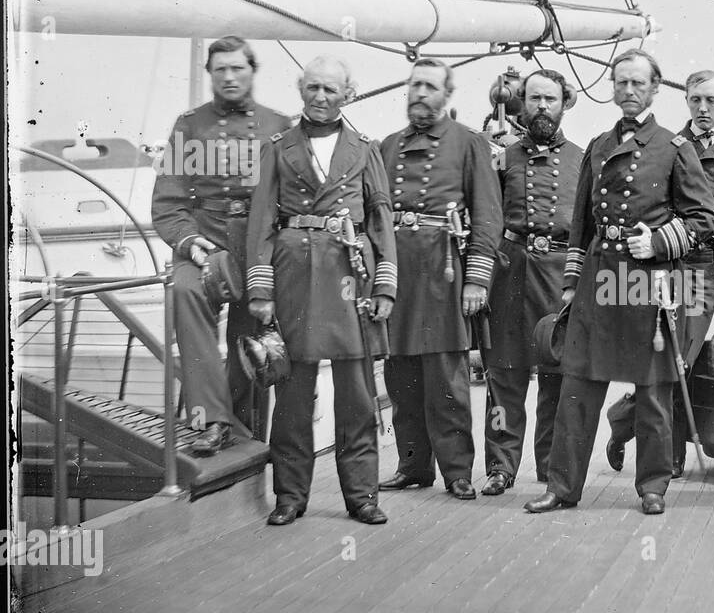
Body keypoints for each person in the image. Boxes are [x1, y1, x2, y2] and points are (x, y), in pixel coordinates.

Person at [523, 49, 714, 515]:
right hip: (597, 279)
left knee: (652, 391)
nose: (628, 91)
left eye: (638, 84)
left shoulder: (675, 148)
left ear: (654, 89)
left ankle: (652, 486)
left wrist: (661, 243)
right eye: (621, 83)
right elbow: (580, 226)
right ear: (612, 88)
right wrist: (571, 286)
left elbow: (703, 218)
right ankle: (562, 486)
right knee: (577, 385)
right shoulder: (597, 146)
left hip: (646, 284)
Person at [245, 56, 397, 526]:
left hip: (352, 278)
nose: (320, 96)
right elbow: (260, 221)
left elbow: (379, 218)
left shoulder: (365, 149)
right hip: (294, 278)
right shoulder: (279, 147)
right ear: (301, 90)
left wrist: (387, 283)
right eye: (312, 87)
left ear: (347, 93)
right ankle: (290, 495)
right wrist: (261, 288)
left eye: (330, 89)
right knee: (293, 393)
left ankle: (361, 495)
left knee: (356, 393)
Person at [604, 69, 714, 477]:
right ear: (686, 102)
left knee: (709, 362)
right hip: (682, 267)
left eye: (711, 100)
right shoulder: (671, 146)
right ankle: (659, 456)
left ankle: (623, 422)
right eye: (695, 100)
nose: (703, 108)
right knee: (676, 362)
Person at [150, 35, 291, 453]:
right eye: (221, 69)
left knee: (250, 338)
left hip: (259, 244)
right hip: (205, 239)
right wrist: (189, 242)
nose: (229, 77)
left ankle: (241, 430)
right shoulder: (189, 125)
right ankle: (212, 420)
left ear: (252, 71)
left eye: (238, 68)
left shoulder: (279, 126)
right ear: (209, 73)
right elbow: (169, 201)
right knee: (186, 291)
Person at [376, 58, 502, 500]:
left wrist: (477, 280)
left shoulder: (468, 143)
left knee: (447, 378)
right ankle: (413, 467)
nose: (420, 93)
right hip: (398, 273)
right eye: (414, 85)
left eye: (430, 86)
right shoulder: (388, 146)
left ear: (446, 96)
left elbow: (488, 215)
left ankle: (457, 471)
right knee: (400, 375)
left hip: (445, 271)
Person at [480, 69, 583, 494]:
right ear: (523, 102)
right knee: (504, 372)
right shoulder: (501, 157)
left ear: (564, 104)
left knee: (556, 370)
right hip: (511, 271)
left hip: (559, 274)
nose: (543, 106)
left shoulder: (582, 159)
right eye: (535, 98)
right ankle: (501, 467)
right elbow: (485, 216)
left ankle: (550, 466)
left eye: (551, 99)